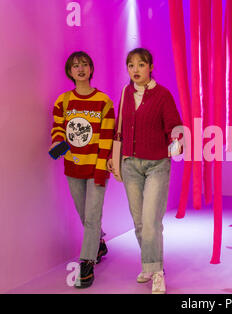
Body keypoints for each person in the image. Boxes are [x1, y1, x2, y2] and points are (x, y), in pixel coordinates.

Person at [107, 48, 182, 294]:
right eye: (131, 65)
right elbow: (120, 127)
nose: (135, 69)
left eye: (140, 64)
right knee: (139, 222)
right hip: (130, 164)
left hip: (157, 164)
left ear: (150, 66)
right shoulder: (126, 93)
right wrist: (112, 156)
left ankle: (157, 272)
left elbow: (173, 124)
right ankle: (150, 264)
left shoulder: (162, 94)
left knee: (151, 222)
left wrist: (176, 140)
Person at [50, 51, 115, 288]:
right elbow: (58, 129)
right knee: (85, 214)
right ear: (69, 72)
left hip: (96, 167)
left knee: (92, 216)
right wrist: (58, 143)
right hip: (73, 168)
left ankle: (86, 264)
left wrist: (101, 170)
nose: (80, 69)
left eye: (85, 65)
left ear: (91, 69)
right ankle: (98, 242)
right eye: (75, 66)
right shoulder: (63, 101)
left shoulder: (104, 102)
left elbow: (107, 139)